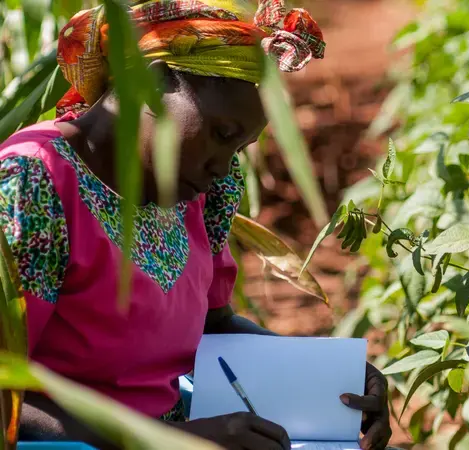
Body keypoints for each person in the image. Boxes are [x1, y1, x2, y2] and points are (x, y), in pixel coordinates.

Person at [2, 0, 392, 449]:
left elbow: (215, 325)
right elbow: (6, 390)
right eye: (222, 134)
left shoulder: (197, 189)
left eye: (240, 147)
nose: (224, 167)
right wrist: (167, 440)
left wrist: (330, 377)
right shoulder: (33, 186)